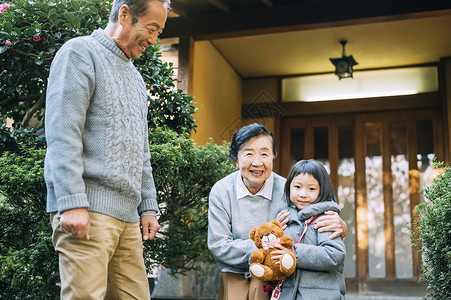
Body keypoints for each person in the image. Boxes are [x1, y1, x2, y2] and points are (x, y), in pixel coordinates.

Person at [44, 0, 170, 299]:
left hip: (127, 218)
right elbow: (63, 132)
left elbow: (141, 149)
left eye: (159, 32)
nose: (153, 40)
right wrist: (72, 201)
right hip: (87, 208)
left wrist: (149, 206)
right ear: (125, 14)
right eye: (151, 29)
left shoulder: (137, 79)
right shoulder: (80, 52)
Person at [207, 123, 347, 300]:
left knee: (263, 287)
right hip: (235, 270)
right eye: (249, 153)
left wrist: (341, 225)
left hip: (278, 273)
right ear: (236, 159)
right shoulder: (222, 191)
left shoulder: (290, 189)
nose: (257, 162)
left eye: (264, 154)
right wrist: (266, 247)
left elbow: (313, 218)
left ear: (273, 157)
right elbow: (219, 246)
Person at [270, 159, 346, 300]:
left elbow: (334, 255)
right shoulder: (285, 217)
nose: (303, 194)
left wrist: (295, 253)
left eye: (311, 189)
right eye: (297, 187)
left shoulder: (325, 219)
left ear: (322, 190)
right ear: (288, 187)